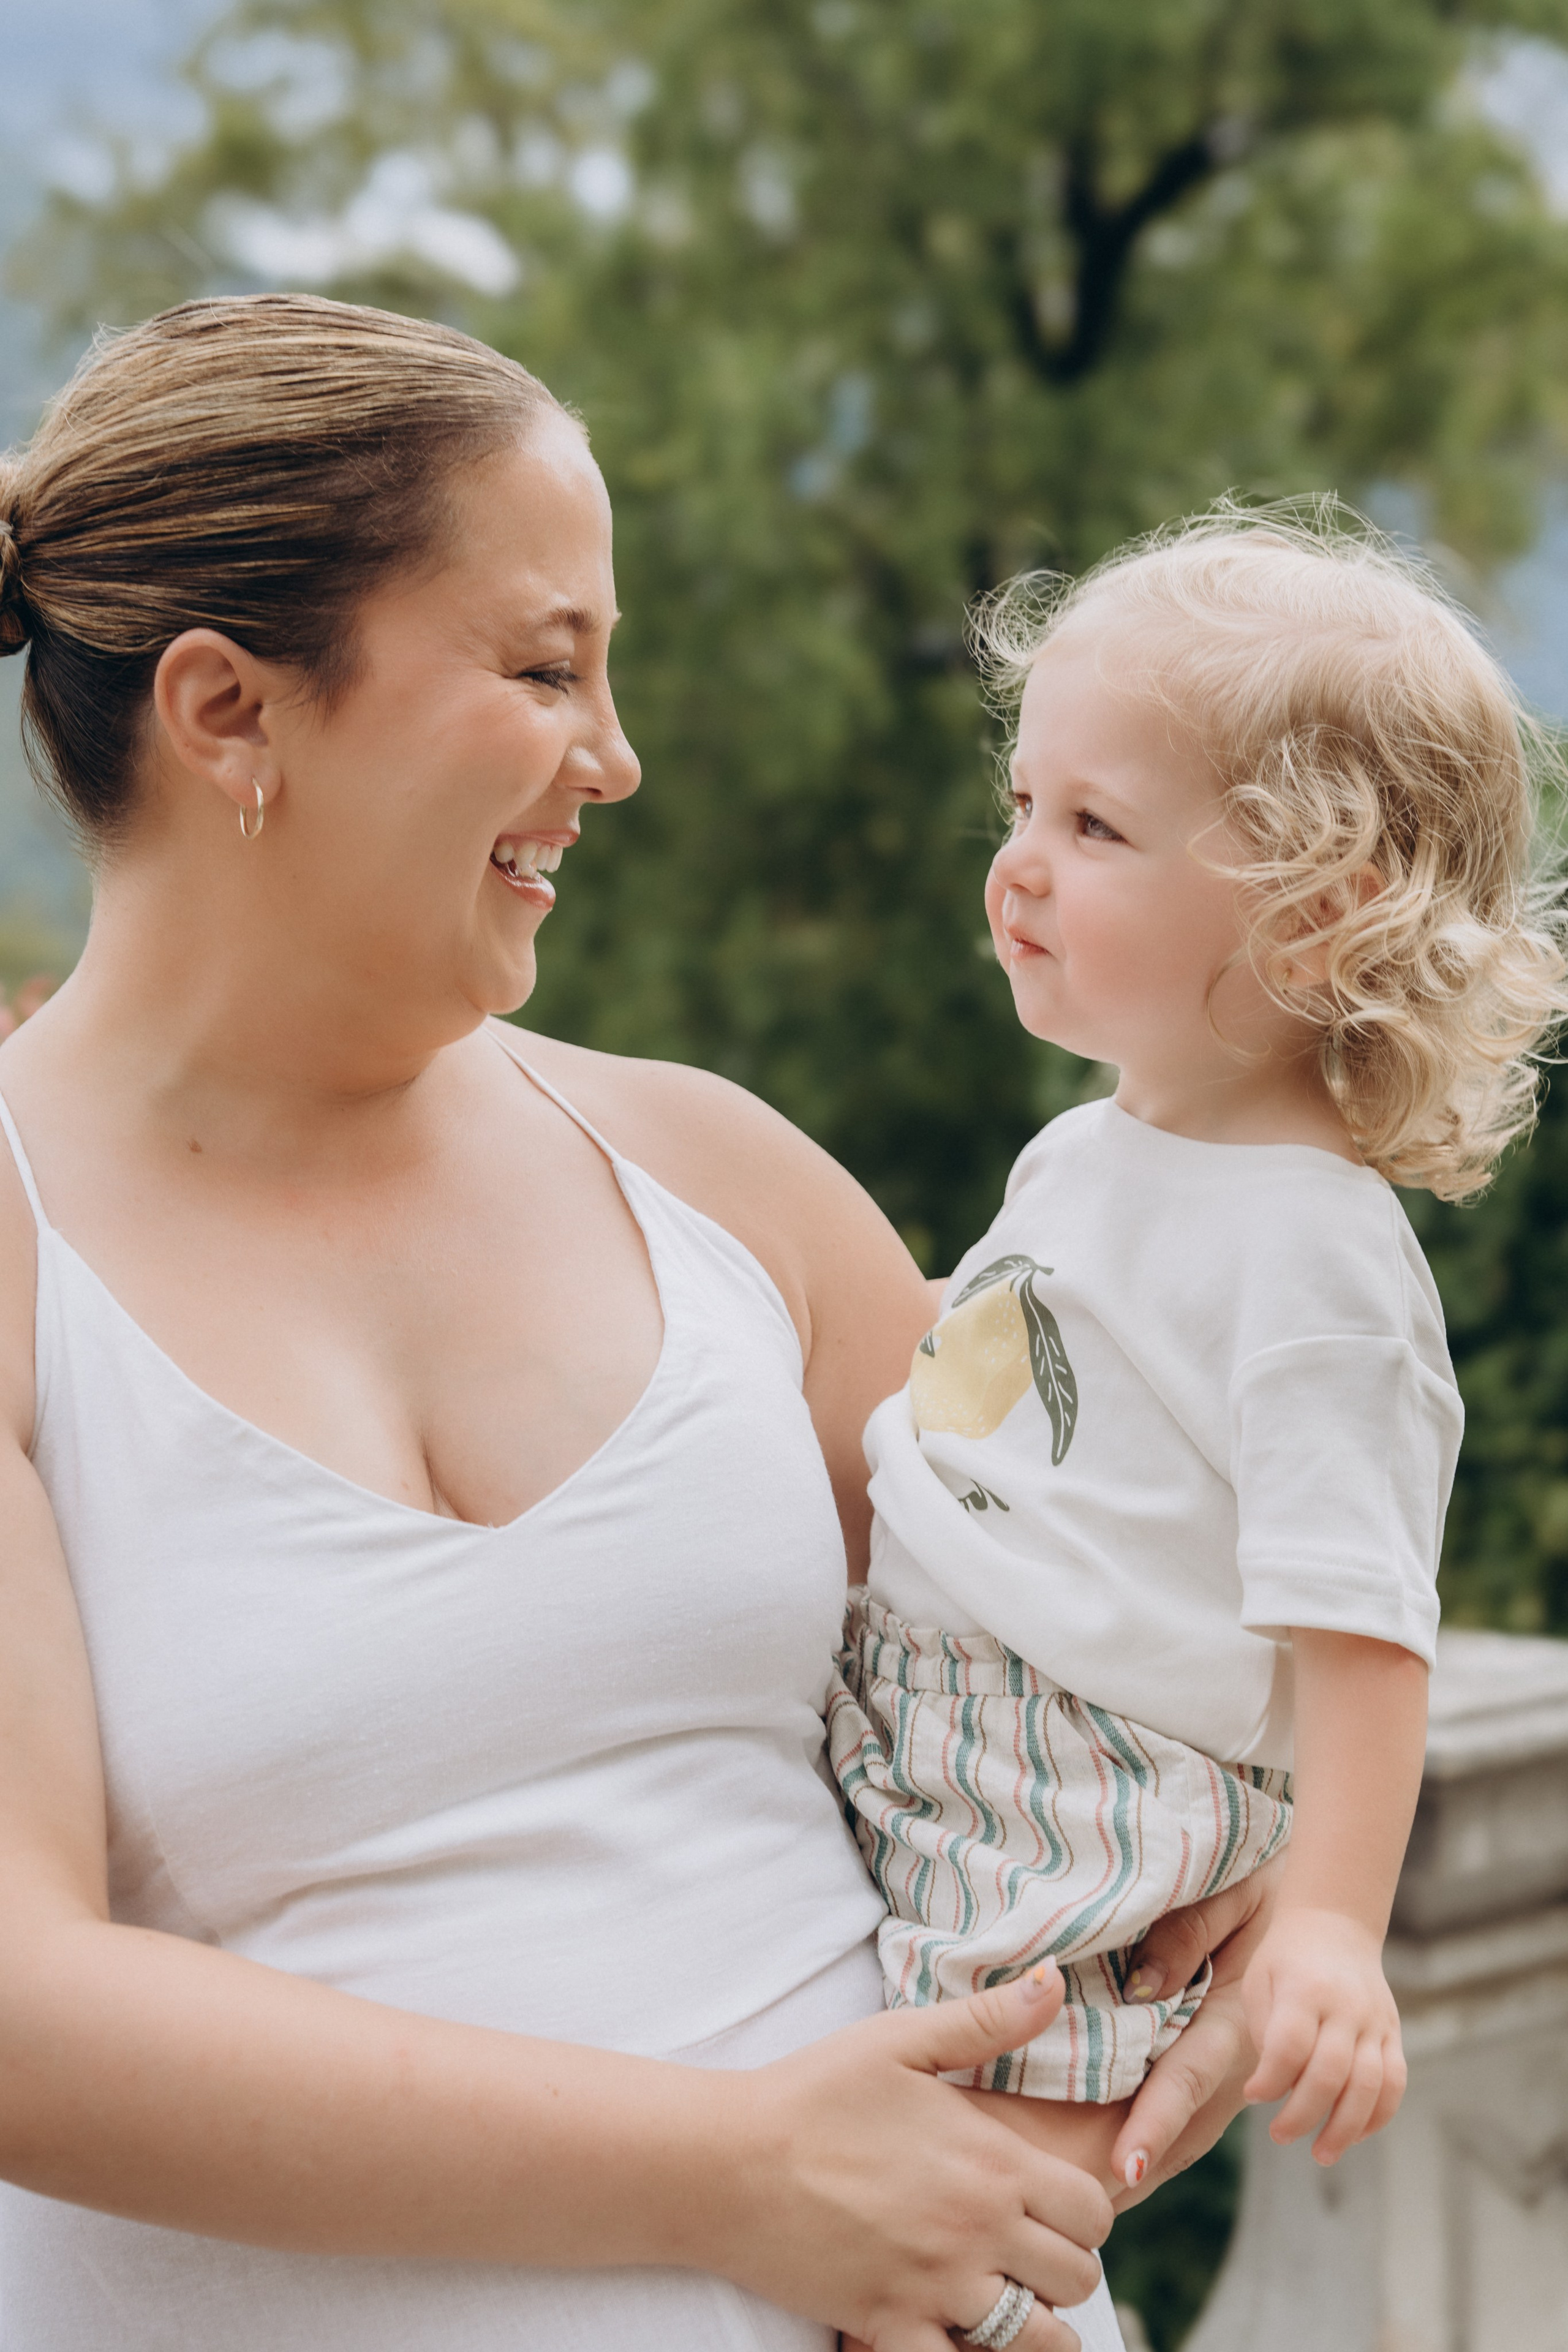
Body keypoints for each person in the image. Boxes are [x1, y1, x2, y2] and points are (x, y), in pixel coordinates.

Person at [0, 293, 1263, 2352]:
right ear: (228, 712)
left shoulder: (724, 1182)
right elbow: (20, 2025)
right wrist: (743, 2178)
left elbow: (1126, 1650)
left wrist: (1243, 1945)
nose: (617, 756)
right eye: (542, 668)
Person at [828, 502, 1568, 2352]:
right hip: (930, 1716)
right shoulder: (1094, 1144)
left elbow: (1359, 1629)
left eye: (1096, 828)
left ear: (1318, 914)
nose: (1019, 864)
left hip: (1083, 1797)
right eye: (1022, 805)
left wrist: (1324, 1929)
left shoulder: (1319, 1255)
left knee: (975, 2220)